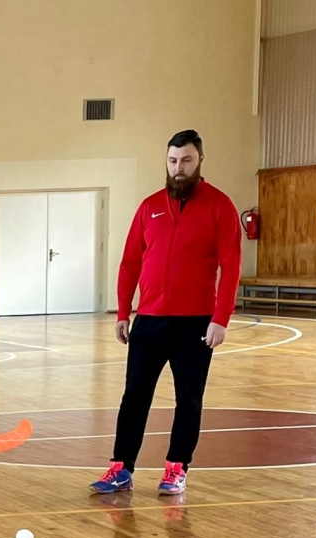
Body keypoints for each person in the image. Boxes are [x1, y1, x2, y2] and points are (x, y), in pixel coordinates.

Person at [91, 129, 243, 497]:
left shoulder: (220, 206)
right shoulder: (150, 207)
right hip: (149, 321)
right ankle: (121, 468)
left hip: (196, 323)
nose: (178, 168)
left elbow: (231, 266)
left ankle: (176, 468)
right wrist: (123, 312)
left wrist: (220, 319)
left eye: (186, 160)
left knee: (188, 399)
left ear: (200, 160)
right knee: (134, 396)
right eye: (173, 161)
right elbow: (130, 262)